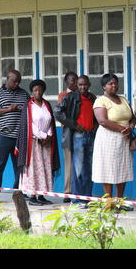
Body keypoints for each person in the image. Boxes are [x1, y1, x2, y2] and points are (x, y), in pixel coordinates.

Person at [0, 70, 30, 204]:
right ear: (7, 79)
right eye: (14, 81)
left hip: (19, 138)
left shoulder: (24, 94)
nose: (16, 84)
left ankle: (19, 193)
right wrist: (9, 109)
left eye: (18, 82)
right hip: (2, 136)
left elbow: (30, 111)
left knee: (20, 167)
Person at [92, 73, 136, 211]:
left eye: (116, 83)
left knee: (122, 169)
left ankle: (120, 201)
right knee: (108, 170)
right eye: (110, 84)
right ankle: (109, 203)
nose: (114, 86)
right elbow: (102, 121)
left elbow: (132, 118)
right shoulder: (101, 101)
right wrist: (122, 129)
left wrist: (131, 127)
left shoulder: (123, 99)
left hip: (124, 139)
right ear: (104, 86)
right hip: (108, 138)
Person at [16, 80, 60, 206]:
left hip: (46, 144)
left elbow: (51, 121)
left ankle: (41, 195)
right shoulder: (28, 105)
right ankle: (33, 197)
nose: (38, 92)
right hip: (33, 143)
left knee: (45, 168)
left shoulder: (46, 104)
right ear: (32, 92)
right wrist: (42, 135)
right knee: (34, 169)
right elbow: (29, 124)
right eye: (35, 90)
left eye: (40, 90)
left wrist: (49, 136)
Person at [54, 75, 96, 207]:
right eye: (80, 85)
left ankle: (87, 198)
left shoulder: (93, 98)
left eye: (85, 84)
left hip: (91, 135)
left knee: (89, 169)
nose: (83, 87)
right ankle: (76, 199)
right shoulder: (71, 97)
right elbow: (57, 112)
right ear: (77, 86)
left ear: (89, 85)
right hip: (78, 136)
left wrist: (94, 128)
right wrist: (74, 124)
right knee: (78, 168)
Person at [57, 72, 78, 203]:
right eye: (72, 81)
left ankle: (79, 191)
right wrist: (75, 124)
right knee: (69, 163)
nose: (75, 83)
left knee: (82, 163)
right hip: (68, 133)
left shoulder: (83, 94)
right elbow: (62, 116)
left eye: (76, 80)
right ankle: (68, 192)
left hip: (82, 133)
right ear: (66, 82)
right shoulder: (63, 95)